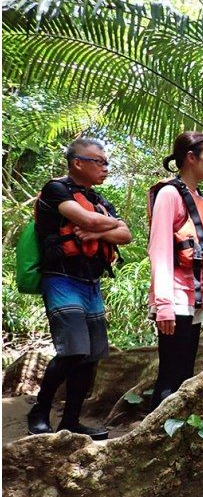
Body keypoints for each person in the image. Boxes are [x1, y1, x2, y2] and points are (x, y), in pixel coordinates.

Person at [27, 138, 132, 439]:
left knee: (91, 355)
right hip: (61, 279)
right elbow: (84, 219)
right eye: (99, 161)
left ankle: (71, 421)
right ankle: (40, 410)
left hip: (91, 282)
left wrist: (100, 227)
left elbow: (126, 235)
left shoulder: (99, 199)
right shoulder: (56, 189)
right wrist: (105, 225)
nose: (106, 167)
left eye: (106, 162)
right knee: (73, 352)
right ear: (78, 163)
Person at [147, 131, 203, 412]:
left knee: (184, 374)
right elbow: (158, 249)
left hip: (195, 297)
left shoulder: (199, 198)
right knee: (169, 376)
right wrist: (164, 305)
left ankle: (176, 436)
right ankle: (154, 438)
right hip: (175, 297)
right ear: (191, 158)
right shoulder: (170, 194)